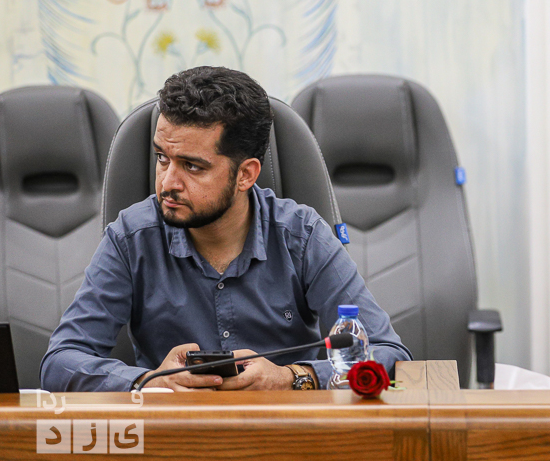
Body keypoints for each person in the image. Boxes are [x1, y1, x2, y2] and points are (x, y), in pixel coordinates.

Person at [41, 67, 410, 391]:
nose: (168, 182)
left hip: (287, 435)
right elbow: (60, 362)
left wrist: (293, 377)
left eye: (192, 166)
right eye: (162, 158)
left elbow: (388, 354)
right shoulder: (130, 237)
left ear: (245, 174)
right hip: (172, 438)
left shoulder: (302, 234)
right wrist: (148, 381)